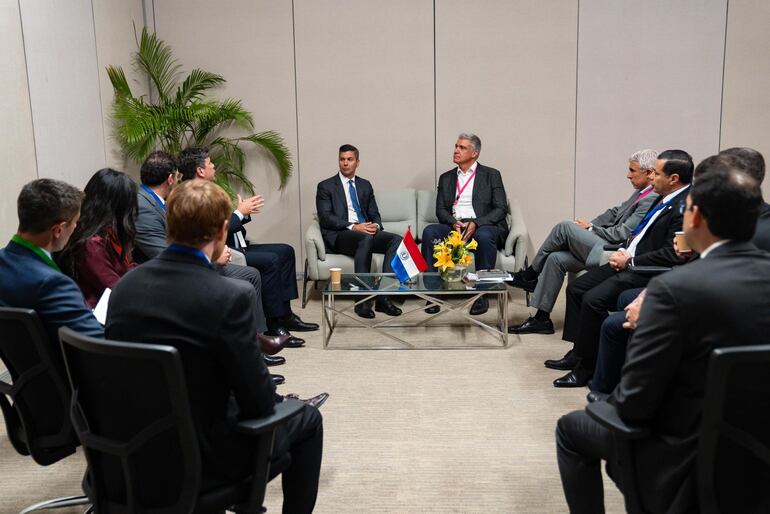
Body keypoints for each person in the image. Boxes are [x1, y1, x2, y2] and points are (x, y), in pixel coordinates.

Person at [556, 164, 770, 514]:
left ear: (695, 216)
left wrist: (604, 400)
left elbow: (635, 404)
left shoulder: (673, 291)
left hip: (684, 453)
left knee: (573, 427)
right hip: (758, 448)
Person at [105, 180, 323, 513]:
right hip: (203, 460)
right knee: (307, 420)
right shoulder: (227, 296)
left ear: (169, 225)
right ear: (223, 231)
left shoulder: (125, 288)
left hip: (132, 452)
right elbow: (259, 402)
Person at [548, 149, 693, 388]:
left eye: (656, 173)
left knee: (593, 300)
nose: (651, 177)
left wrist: (631, 261)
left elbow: (672, 253)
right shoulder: (663, 196)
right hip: (627, 257)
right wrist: (623, 250)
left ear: (673, 178)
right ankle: (579, 353)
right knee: (577, 289)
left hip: (644, 270)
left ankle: (586, 368)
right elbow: (641, 233)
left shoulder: (684, 207)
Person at [133, 151, 288, 370]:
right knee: (244, 287)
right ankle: (249, 353)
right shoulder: (149, 207)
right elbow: (165, 254)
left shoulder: (161, 199)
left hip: (195, 261)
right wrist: (213, 259)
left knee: (251, 274)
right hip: (173, 276)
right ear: (170, 178)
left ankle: (257, 343)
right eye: (210, 163)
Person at [509, 149, 659, 334]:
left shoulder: (652, 197)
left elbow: (622, 233)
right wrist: (590, 225)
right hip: (601, 244)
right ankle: (542, 319)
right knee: (556, 258)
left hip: (613, 251)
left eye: (632, 170)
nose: (628, 175)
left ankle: (531, 274)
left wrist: (590, 229)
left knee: (563, 227)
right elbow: (613, 212)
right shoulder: (641, 192)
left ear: (649, 172)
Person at [178, 147, 319, 342]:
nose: (214, 167)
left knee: (286, 251)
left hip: (237, 243)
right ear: (200, 170)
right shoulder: (190, 195)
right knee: (270, 261)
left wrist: (241, 214)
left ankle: (285, 315)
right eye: (210, 164)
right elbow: (212, 230)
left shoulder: (208, 189)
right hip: (223, 249)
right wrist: (238, 214)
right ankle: (273, 325)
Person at [0, 179, 103, 346]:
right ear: (58, 230)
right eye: (75, 222)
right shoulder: (53, 284)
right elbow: (96, 345)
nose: (76, 226)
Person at [421, 133, 509, 315]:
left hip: (482, 225)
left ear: (474, 153)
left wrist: (476, 223)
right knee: (430, 232)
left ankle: (481, 296)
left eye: (461, 147)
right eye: (456, 146)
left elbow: (500, 209)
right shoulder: (446, 178)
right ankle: (433, 294)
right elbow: (440, 210)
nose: (456, 150)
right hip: (455, 225)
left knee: (484, 237)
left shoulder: (491, 175)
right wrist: (453, 223)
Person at [315, 144, 403, 318]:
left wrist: (375, 226)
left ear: (357, 162)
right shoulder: (325, 186)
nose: (345, 163)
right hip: (341, 235)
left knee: (396, 240)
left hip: (365, 232)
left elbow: (374, 213)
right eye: (342, 159)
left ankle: (383, 298)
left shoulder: (365, 185)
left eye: (350, 159)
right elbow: (326, 218)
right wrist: (353, 226)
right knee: (365, 239)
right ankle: (361, 301)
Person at [56, 168, 138, 308]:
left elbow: (127, 269)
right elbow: (116, 290)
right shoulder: (91, 244)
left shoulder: (102, 234)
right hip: (98, 319)